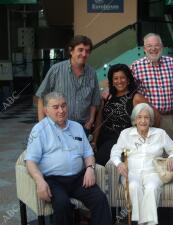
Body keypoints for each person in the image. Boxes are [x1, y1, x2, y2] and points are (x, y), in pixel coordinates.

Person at [25, 92, 112, 225]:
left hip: (78, 178)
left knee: (100, 199)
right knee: (62, 204)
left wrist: (90, 168)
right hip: (54, 180)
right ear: (46, 110)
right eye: (55, 107)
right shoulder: (39, 130)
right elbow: (30, 161)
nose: (61, 110)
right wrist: (40, 181)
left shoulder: (77, 127)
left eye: (63, 105)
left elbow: (88, 154)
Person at [110, 103, 173, 225]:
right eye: (139, 117)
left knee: (152, 188)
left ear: (151, 120)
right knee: (134, 186)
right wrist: (119, 163)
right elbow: (115, 151)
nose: (143, 121)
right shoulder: (126, 134)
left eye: (146, 117)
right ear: (134, 120)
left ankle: (142, 223)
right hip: (131, 173)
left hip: (153, 173)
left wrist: (172, 156)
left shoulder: (159, 134)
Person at [92, 64, 158, 166]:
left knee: (107, 165)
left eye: (122, 78)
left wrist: (145, 138)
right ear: (112, 81)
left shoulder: (136, 98)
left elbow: (154, 115)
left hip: (124, 142)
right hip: (104, 140)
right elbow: (99, 120)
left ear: (128, 80)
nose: (119, 81)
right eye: (116, 78)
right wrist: (94, 141)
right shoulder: (107, 96)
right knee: (98, 165)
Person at [35, 35, 101, 134]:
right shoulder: (56, 70)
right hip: (57, 126)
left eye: (87, 51)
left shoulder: (92, 73)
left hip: (82, 128)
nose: (84, 54)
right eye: (80, 50)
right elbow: (41, 96)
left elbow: (94, 101)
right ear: (71, 51)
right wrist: (42, 124)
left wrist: (91, 120)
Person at [131, 33, 173, 142]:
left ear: (162, 47)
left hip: (168, 118)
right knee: (148, 153)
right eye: (149, 46)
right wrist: (108, 90)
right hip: (148, 119)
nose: (153, 49)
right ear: (144, 48)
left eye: (156, 45)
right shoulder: (136, 66)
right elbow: (124, 84)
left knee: (169, 153)